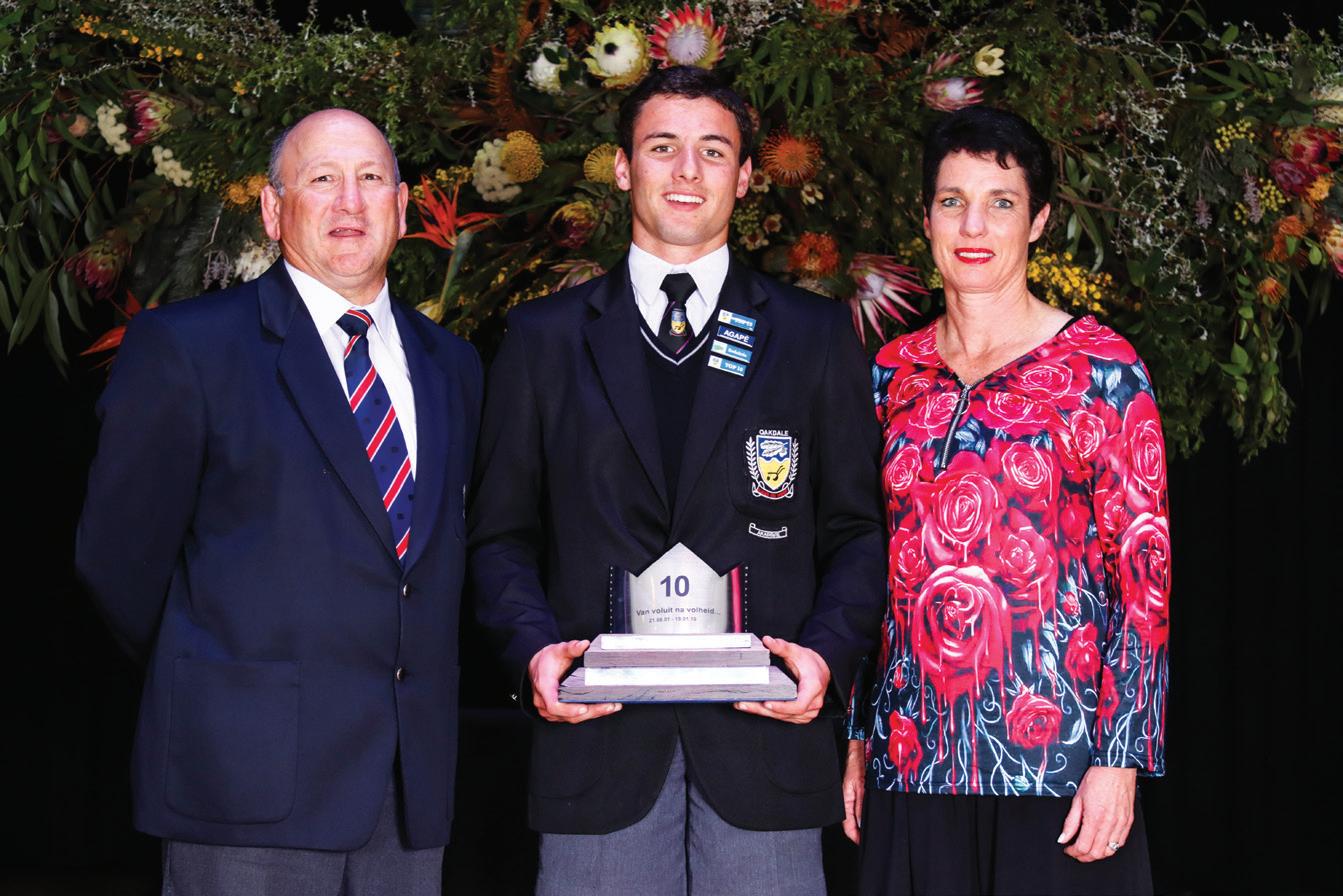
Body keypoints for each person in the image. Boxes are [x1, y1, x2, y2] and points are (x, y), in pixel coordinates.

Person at [469, 65, 886, 896]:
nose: (687, 171)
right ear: (624, 168)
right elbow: (500, 535)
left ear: (746, 175)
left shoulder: (811, 336)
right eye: (662, 148)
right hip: (596, 746)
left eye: (712, 151)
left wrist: (826, 656)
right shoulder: (542, 339)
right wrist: (532, 653)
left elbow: (856, 529)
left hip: (764, 746)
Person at [76, 108, 482, 896]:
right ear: (272, 209)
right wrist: (217, 679)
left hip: (406, 797)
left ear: (403, 207)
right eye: (321, 179)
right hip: (242, 783)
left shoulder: (453, 364)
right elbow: (117, 560)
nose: (349, 202)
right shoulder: (189, 347)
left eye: (370, 179)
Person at [841, 106, 1170, 895]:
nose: (973, 225)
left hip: (1056, 764)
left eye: (1000, 202)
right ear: (925, 218)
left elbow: (1143, 581)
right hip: (910, 755)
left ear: (1039, 220)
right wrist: (853, 736)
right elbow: (861, 562)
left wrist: (1120, 758)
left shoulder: (1100, 369)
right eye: (952, 201)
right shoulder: (889, 373)